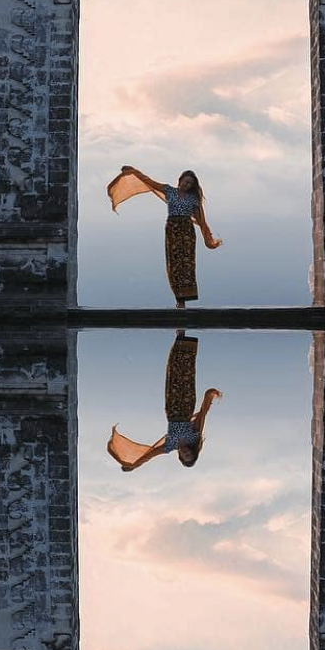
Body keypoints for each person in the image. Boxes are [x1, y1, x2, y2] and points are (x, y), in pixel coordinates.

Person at [107, 164, 221, 307]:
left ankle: (183, 300)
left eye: (190, 183)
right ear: (180, 180)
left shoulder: (193, 199)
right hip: (172, 229)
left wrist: (208, 238)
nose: (187, 185)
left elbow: (201, 221)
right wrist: (133, 171)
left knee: (186, 264)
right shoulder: (168, 190)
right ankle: (178, 299)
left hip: (187, 232)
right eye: (186, 181)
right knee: (173, 264)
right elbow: (149, 182)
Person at [107, 332, 222, 470]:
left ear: (179, 455)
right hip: (186, 405)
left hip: (172, 408)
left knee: (173, 372)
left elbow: (149, 455)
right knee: (186, 376)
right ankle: (183, 337)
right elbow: (202, 414)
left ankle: (180, 337)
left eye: (184, 456)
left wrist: (134, 465)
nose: (186, 453)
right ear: (193, 451)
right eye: (190, 454)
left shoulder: (169, 445)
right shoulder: (193, 438)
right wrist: (209, 396)